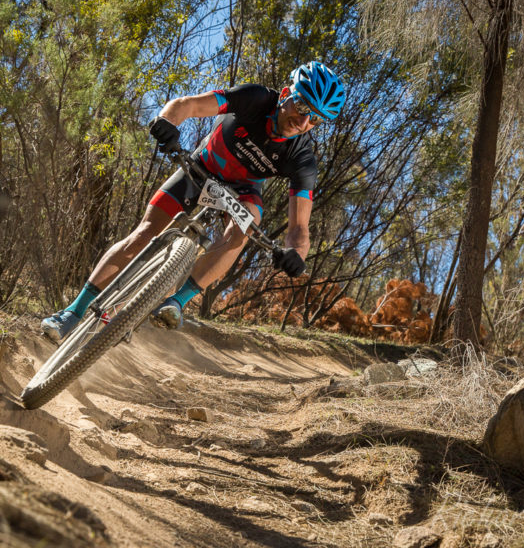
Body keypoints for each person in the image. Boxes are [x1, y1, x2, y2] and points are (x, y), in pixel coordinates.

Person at [41, 61, 345, 341]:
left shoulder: (302, 157)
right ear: (285, 94)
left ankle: (177, 301)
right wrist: (167, 121)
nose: (303, 120)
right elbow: (188, 105)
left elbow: (299, 230)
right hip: (202, 166)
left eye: (316, 119)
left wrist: (296, 254)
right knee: (145, 234)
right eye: (303, 105)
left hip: (243, 189)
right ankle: (73, 312)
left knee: (248, 225)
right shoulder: (255, 98)